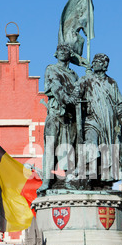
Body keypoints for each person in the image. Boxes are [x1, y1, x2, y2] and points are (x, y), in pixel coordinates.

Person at [72, 53, 122, 187]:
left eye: (97, 62)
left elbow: (121, 102)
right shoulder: (86, 80)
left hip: (109, 123)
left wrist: (121, 109)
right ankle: (88, 174)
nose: (94, 63)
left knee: (107, 150)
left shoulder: (112, 83)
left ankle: (103, 179)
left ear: (104, 65)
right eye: (94, 61)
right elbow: (75, 93)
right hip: (91, 119)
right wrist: (74, 96)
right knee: (91, 142)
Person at [38, 44, 79, 195]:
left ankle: (69, 178)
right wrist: (68, 99)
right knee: (50, 146)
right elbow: (55, 86)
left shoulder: (74, 75)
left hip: (70, 115)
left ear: (70, 54)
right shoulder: (52, 69)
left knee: (69, 146)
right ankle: (47, 180)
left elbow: (78, 91)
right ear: (56, 54)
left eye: (66, 50)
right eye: (60, 50)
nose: (63, 52)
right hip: (55, 112)